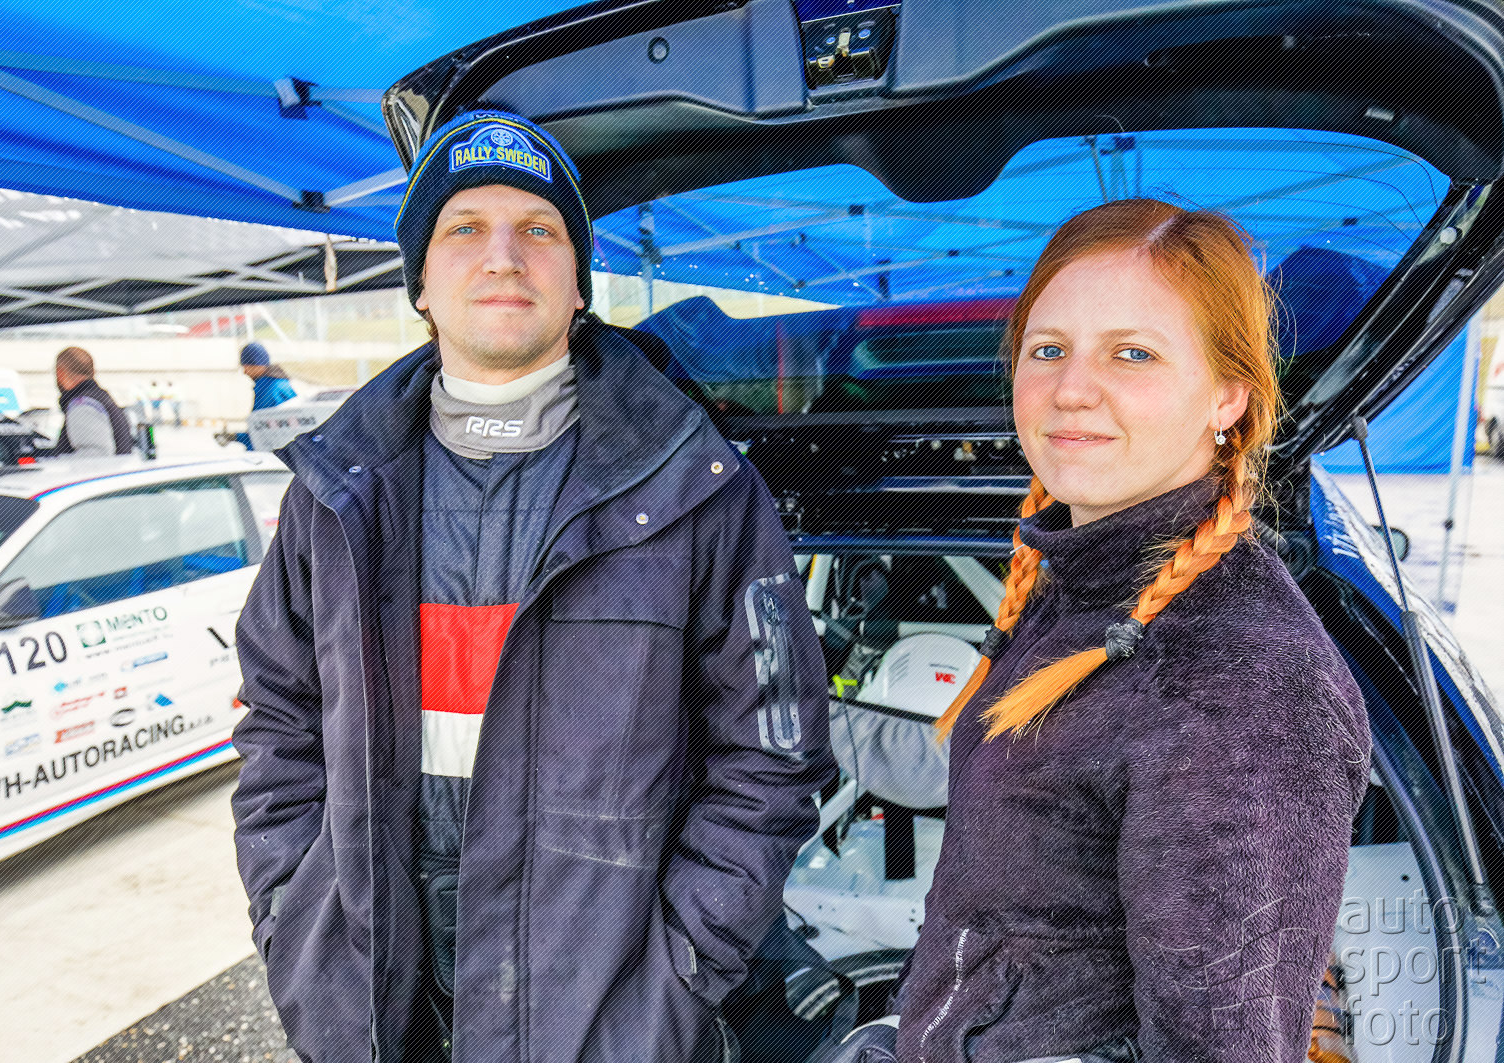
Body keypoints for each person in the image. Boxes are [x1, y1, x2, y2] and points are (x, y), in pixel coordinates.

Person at [229, 109, 833, 1063]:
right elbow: (278, 720)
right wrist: (292, 922)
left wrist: (680, 976)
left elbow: (772, 757)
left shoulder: (697, 487)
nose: (502, 256)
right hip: (378, 1001)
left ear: (578, 281)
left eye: (539, 230)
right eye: (464, 227)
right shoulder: (333, 492)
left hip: (609, 1013)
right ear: (420, 281)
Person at [834, 199, 1372, 1063]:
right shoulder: (1087, 584)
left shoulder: (1240, 682)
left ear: (1227, 394)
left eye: (1132, 353)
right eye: (1048, 349)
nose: (1071, 388)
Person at [48, 346, 133, 456]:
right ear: (92, 371)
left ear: (60, 372)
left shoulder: (83, 406)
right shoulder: (101, 400)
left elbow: (95, 457)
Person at [235, 341, 297, 450]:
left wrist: (237, 437)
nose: (245, 372)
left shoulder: (270, 391)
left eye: (246, 366)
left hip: (271, 454)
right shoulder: (277, 384)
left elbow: (262, 431)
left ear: (257, 365)